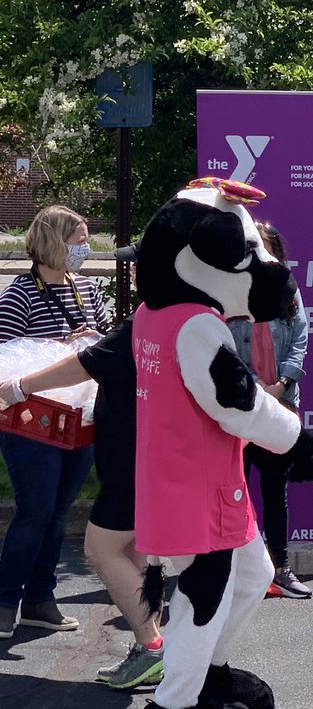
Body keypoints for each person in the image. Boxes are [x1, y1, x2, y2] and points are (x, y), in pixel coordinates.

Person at [0, 242, 165, 687]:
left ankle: (154, 648)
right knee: (128, 550)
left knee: (100, 547)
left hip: (124, 452)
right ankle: (153, 647)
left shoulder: (150, 319)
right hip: (127, 451)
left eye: (135, 267)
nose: (128, 274)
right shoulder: (175, 318)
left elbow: (92, 360)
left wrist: (20, 384)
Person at [0, 205, 110, 639]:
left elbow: (105, 341)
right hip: (32, 421)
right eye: (78, 240)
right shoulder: (19, 294)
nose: (84, 248)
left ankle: (41, 599)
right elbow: (7, 359)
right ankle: (7, 599)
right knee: (35, 510)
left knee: (59, 510)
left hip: (79, 416)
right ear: (53, 242)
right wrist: (60, 349)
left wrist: (91, 341)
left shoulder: (86, 288)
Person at [227, 222, 311, 599]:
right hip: (240, 408)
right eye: (252, 246)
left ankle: (280, 568)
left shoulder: (288, 292)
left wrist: (283, 384)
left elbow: (300, 338)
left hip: (280, 405)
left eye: (265, 247)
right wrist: (251, 388)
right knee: (234, 491)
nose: (259, 254)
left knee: (276, 491)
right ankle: (234, 573)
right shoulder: (229, 290)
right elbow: (220, 344)